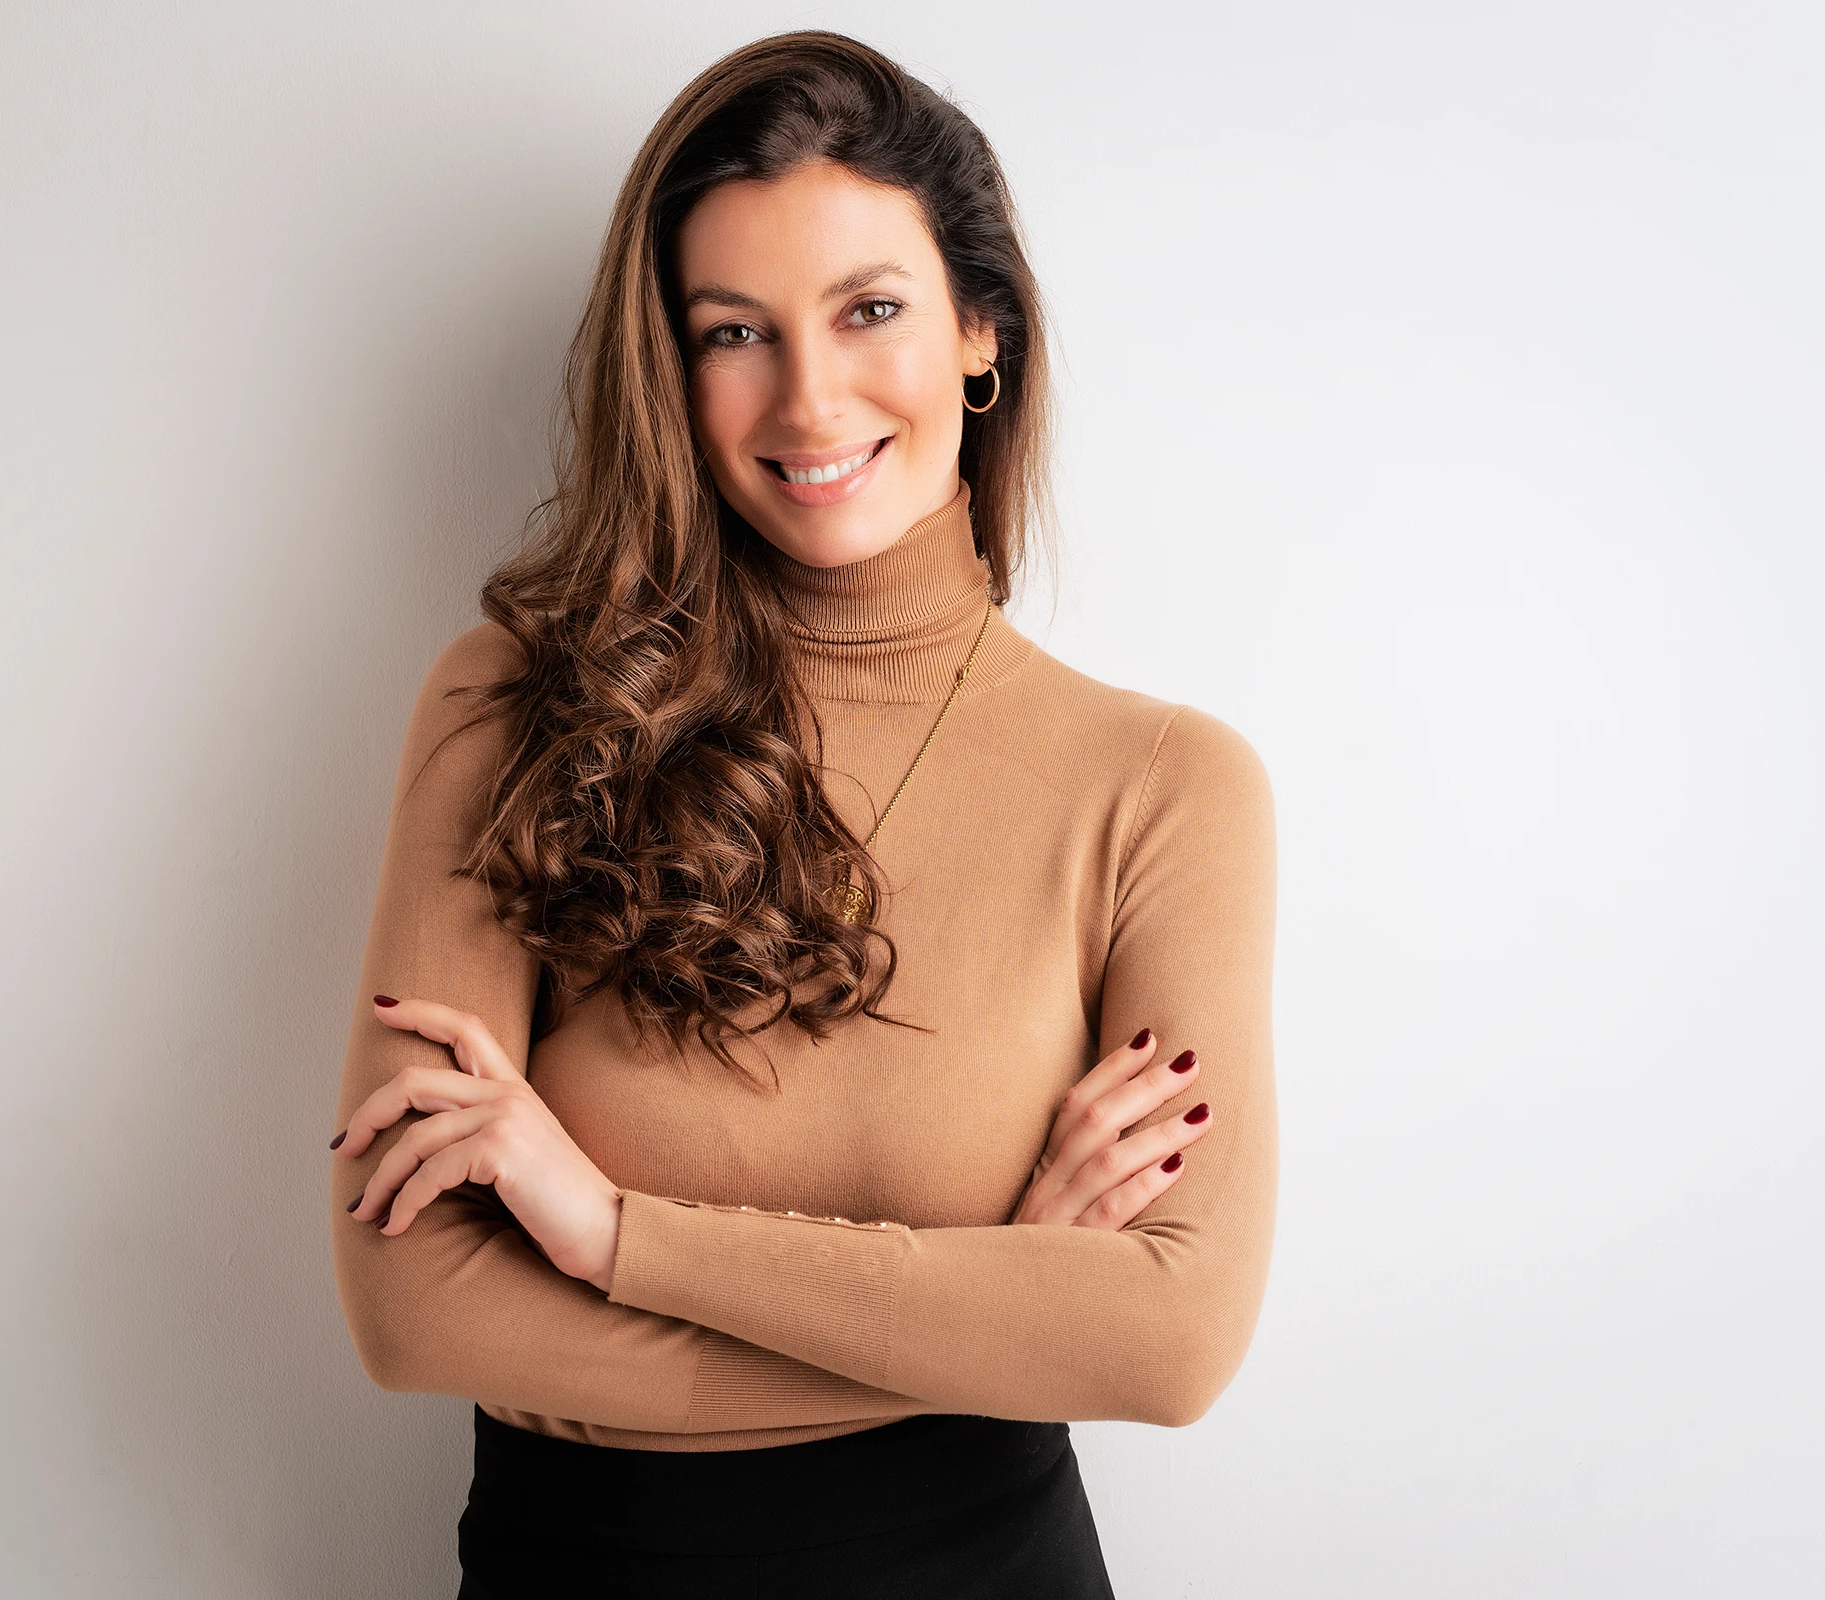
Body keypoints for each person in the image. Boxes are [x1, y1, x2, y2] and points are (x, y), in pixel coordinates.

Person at [327, 30, 1277, 1597]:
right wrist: (1000, 1312)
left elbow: (1171, 1343)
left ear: (982, 330)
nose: (808, 395)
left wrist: (610, 1234)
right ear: (670, 369)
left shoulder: (1162, 787)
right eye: (731, 332)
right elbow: (411, 1307)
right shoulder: (516, 710)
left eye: (871, 309)